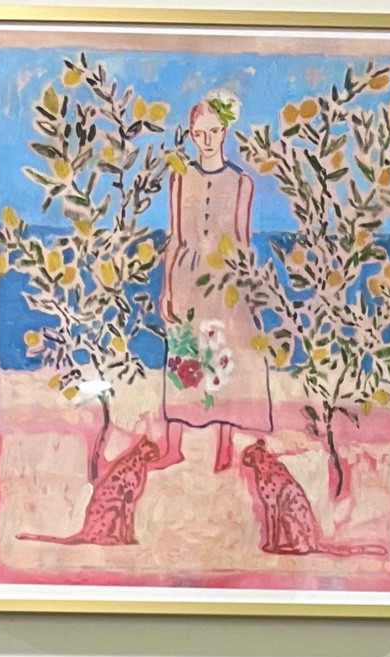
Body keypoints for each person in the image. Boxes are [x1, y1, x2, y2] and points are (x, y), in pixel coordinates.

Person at [154, 92, 273, 472]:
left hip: (224, 281)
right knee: (182, 354)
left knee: (223, 357)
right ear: (190, 134)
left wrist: (250, 292)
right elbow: (173, 236)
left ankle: (224, 447)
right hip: (187, 276)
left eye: (214, 132)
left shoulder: (241, 183)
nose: (206, 140)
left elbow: (242, 241)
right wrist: (167, 288)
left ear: (225, 131)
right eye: (199, 133)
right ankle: (174, 446)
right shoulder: (179, 176)